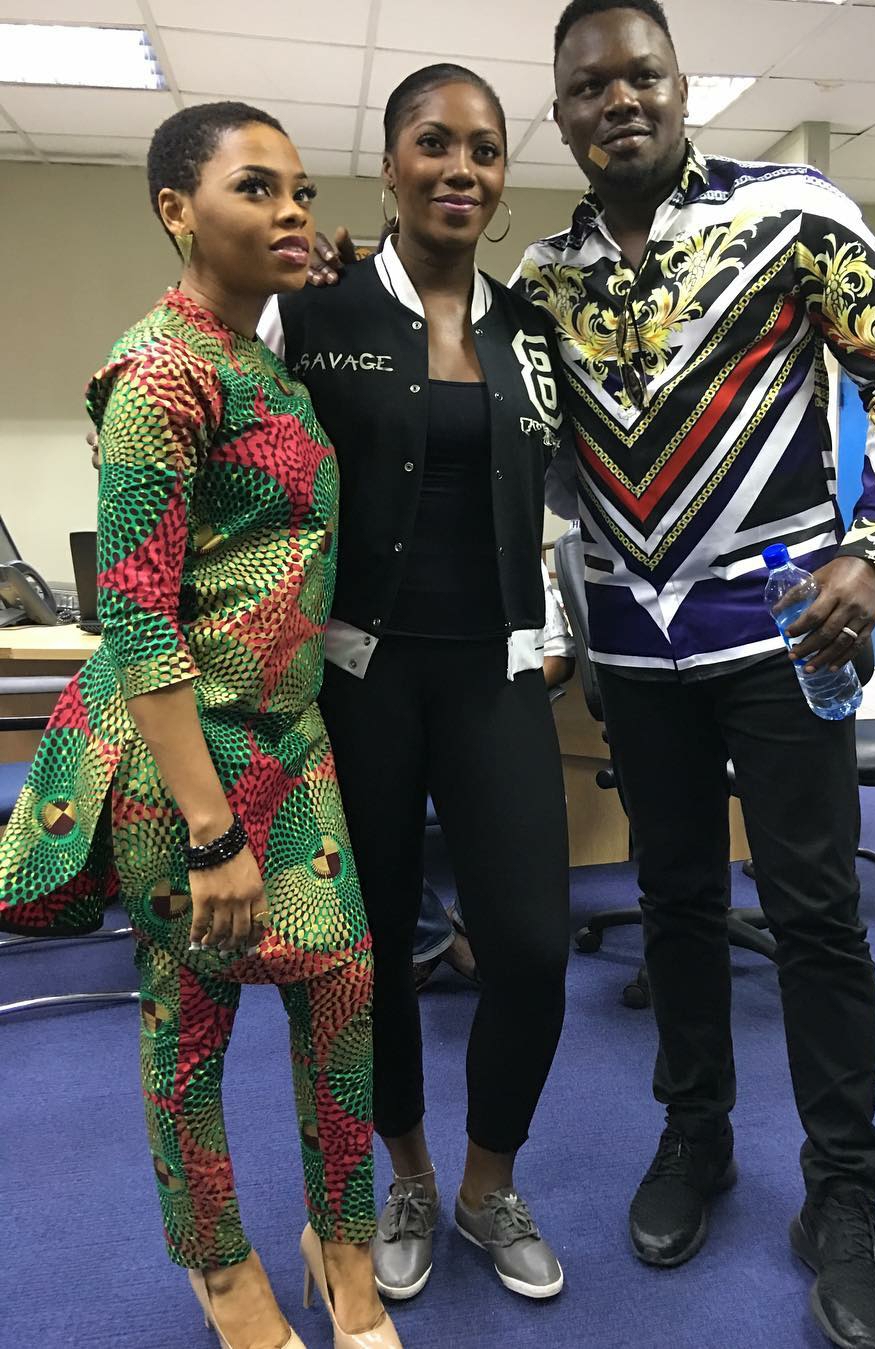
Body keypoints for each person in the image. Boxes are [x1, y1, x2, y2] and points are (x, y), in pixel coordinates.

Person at [516, 4, 875, 1346]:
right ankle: (696, 1136)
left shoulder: (794, 211)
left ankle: (845, 1193)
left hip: (785, 633)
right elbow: (533, 452)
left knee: (816, 913)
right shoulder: (541, 277)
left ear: (681, 84)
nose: (620, 100)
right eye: (590, 86)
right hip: (634, 645)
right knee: (676, 900)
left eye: (642, 74)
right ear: (563, 113)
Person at [0, 102, 399, 1349]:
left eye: (302, 190)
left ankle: (343, 1249)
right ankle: (221, 1269)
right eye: (255, 187)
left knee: (343, 991)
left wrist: (325, 268)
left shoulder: (261, 360)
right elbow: (135, 617)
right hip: (191, 755)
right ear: (177, 210)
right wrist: (211, 829)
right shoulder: (160, 373)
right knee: (193, 1019)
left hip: (292, 736)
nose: (292, 209)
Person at [259, 65, 571, 1304]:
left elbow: (569, 488)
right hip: (358, 686)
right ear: (389, 166)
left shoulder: (532, 330)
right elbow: (231, 443)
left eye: (484, 150)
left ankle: (489, 1184)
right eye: (434, 144)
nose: (461, 168)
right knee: (372, 947)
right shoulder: (311, 310)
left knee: (532, 947)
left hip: (497, 673)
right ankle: (409, 1173)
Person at [412, 561, 574, 990]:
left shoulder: (513, 550)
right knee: (363, 816)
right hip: (403, 725)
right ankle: (436, 939)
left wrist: (497, 703)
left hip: (488, 714)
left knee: (530, 801)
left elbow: (558, 658)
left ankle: (469, 926)